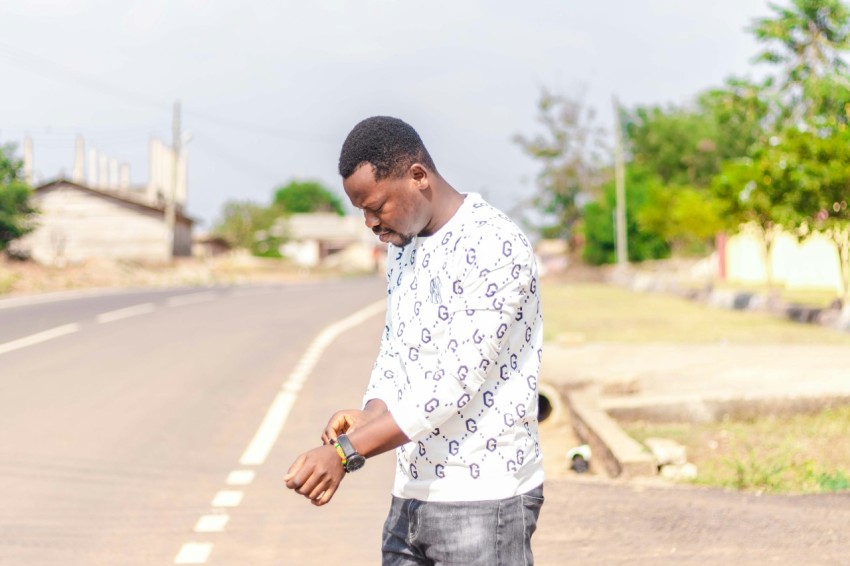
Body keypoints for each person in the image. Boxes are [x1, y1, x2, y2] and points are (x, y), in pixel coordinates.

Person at [284, 116, 544, 565]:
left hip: (484, 501)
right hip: (411, 495)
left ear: (418, 177)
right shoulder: (402, 248)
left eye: (376, 205)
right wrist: (368, 417)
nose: (369, 222)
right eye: (361, 210)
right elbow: (397, 355)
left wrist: (346, 452)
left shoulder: (493, 245)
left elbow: (452, 383)